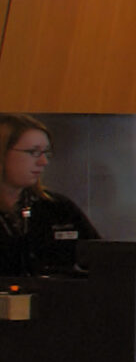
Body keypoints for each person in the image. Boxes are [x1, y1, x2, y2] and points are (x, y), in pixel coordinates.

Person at [0, 114, 99, 278]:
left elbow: (102, 260)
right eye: (33, 152)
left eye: (46, 153)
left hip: (56, 301)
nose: (43, 162)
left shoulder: (58, 207)